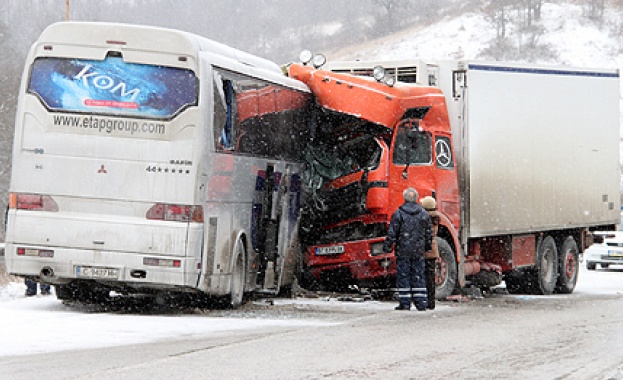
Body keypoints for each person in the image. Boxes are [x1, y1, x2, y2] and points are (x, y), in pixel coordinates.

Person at [383, 188, 432, 311]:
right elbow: (428, 233)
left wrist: (387, 246)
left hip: (403, 250)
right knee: (418, 275)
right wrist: (427, 246)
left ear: (404, 198)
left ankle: (405, 303)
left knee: (403, 276)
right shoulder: (424, 214)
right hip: (418, 250)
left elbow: (392, 232)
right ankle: (421, 303)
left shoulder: (398, 213)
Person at [420, 196, 440, 310]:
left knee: (425, 277)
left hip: (426, 250)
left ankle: (427, 301)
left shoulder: (425, 218)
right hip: (433, 250)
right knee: (430, 277)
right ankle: (431, 301)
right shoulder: (435, 217)